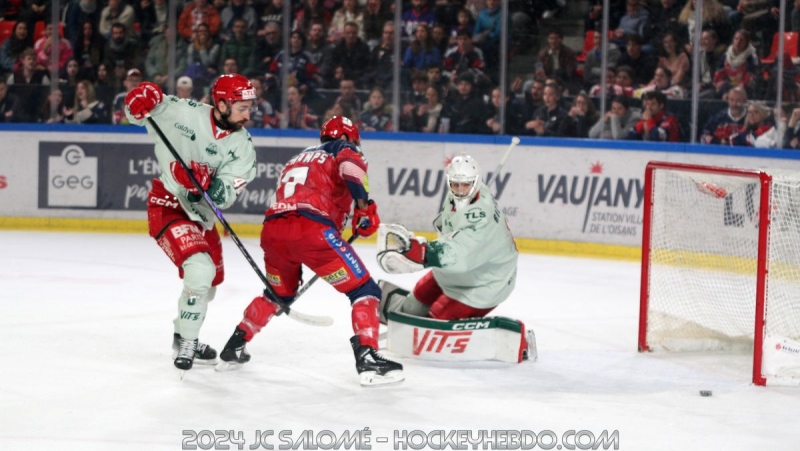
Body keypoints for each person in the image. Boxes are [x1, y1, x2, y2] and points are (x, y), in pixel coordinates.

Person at [216, 116, 404, 387]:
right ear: (349, 137)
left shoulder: (298, 158)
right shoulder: (342, 149)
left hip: (273, 231)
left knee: (278, 293)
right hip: (312, 230)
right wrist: (363, 207)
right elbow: (352, 169)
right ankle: (368, 358)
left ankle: (235, 343)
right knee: (365, 291)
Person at [123, 73, 258, 372]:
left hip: (203, 219)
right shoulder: (183, 112)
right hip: (168, 205)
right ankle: (188, 342)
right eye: (242, 108)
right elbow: (138, 114)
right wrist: (139, 101)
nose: (248, 115)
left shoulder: (243, 147)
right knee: (201, 270)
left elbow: (224, 196)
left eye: (250, 107)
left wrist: (204, 186)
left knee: (209, 284)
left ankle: (180, 332)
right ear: (221, 104)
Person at [374, 154, 532, 361]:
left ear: (475, 183)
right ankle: (406, 321)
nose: (459, 190)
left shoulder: (481, 218)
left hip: (484, 284)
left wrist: (422, 253)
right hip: (452, 274)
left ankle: (517, 341)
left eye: (465, 185)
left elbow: (461, 253)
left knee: (435, 324)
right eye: (455, 184)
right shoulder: (462, 193)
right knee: (413, 305)